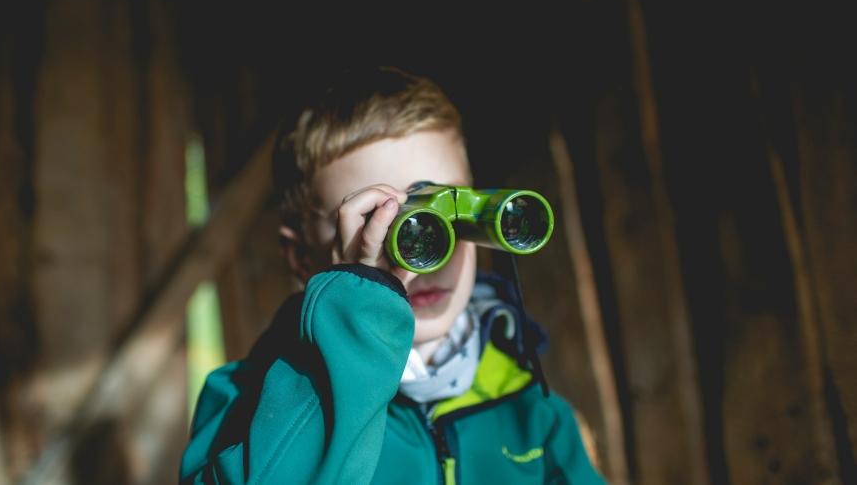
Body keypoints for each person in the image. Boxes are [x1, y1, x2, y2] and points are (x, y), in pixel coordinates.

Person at [179, 67, 606, 484]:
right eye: (381, 227)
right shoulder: (243, 401)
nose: (425, 261)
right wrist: (362, 310)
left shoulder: (535, 416)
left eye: (453, 219)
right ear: (300, 256)